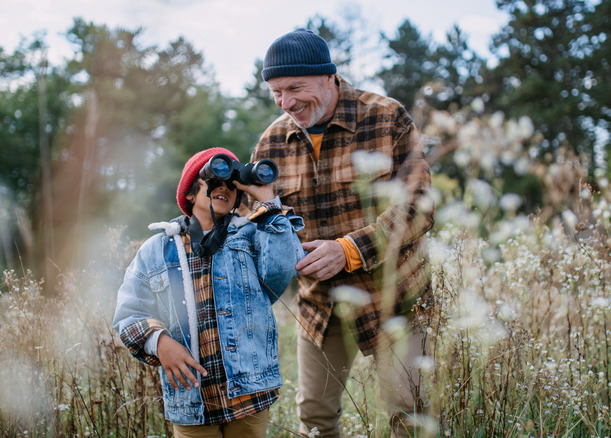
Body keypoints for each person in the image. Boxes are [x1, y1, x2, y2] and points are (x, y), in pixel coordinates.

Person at [252, 29, 435, 437]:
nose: (287, 103)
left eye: (295, 88)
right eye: (276, 93)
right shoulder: (271, 143)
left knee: (409, 415)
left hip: (393, 299)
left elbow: (418, 205)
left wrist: (349, 249)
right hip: (320, 306)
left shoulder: (386, 117)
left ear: (329, 75)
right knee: (315, 421)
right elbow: (261, 223)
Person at [113, 147, 305, 437]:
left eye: (232, 184)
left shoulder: (251, 236)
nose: (224, 189)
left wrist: (268, 204)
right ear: (190, 194)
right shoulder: (156, 251)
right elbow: (128, 314)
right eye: (214, 181)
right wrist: (159, 342)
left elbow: (283, 268)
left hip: (248, 393)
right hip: (191, 399)